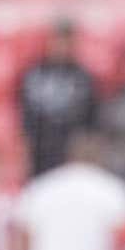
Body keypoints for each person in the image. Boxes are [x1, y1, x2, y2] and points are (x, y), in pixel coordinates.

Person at [18, 19, 99, 178]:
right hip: (40, 149)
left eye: (67, 41)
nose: (62, 46)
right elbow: (25, 114)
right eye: (58, 40)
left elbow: (91, 118)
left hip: (71, 150)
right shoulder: (34, 74)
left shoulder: (82, 76)